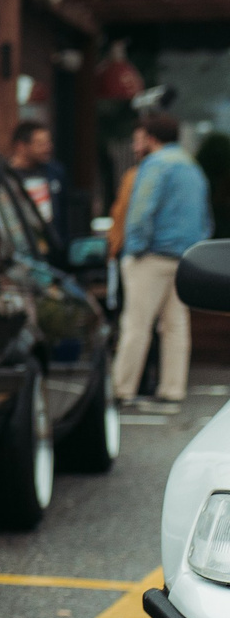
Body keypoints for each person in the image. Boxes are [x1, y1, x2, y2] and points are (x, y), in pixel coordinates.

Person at [111, 111, 213, 415]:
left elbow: (142, 210)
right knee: (176, 326)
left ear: (151, 138)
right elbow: (205, 217)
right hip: (186, 257)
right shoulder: (192, 166)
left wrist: (135, 249)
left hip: (152, 256)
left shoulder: (155, 164)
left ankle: (121, 389)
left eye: (139, 137)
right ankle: (172, 390)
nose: (136, 143)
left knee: (136, 324)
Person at [8, 118, 70, 237]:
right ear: (21, 146)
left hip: (51, 242)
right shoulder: (7, 177)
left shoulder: (55, 172)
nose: (48, 148)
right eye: (40, 144)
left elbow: (64, 213)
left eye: (48, 143)